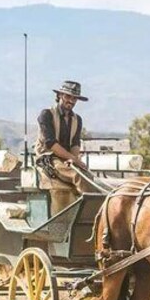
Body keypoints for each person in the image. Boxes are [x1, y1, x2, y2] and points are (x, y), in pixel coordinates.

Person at [34, 80, 98, 213]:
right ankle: (92, 212)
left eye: (74, 98)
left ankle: (86, 211)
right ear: (60, 96)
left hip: (67, 159)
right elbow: (50, 143)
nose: (71, 101)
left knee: (87, 175)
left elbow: (75, 143)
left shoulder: (77, 119)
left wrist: (74, 158)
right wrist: (73, 160)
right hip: (48, 158)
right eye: (68, 97)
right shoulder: (46, 115)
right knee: (78, 175)